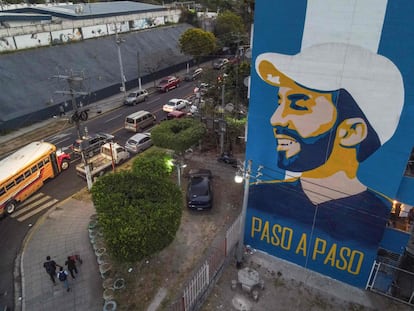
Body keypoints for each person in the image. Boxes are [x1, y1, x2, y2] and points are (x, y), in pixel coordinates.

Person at [250, 43, 405, 246]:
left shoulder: (376, 219)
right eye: (281, 103)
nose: (275, 119)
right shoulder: (258, 196)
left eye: (298, 105)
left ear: (352, 132)